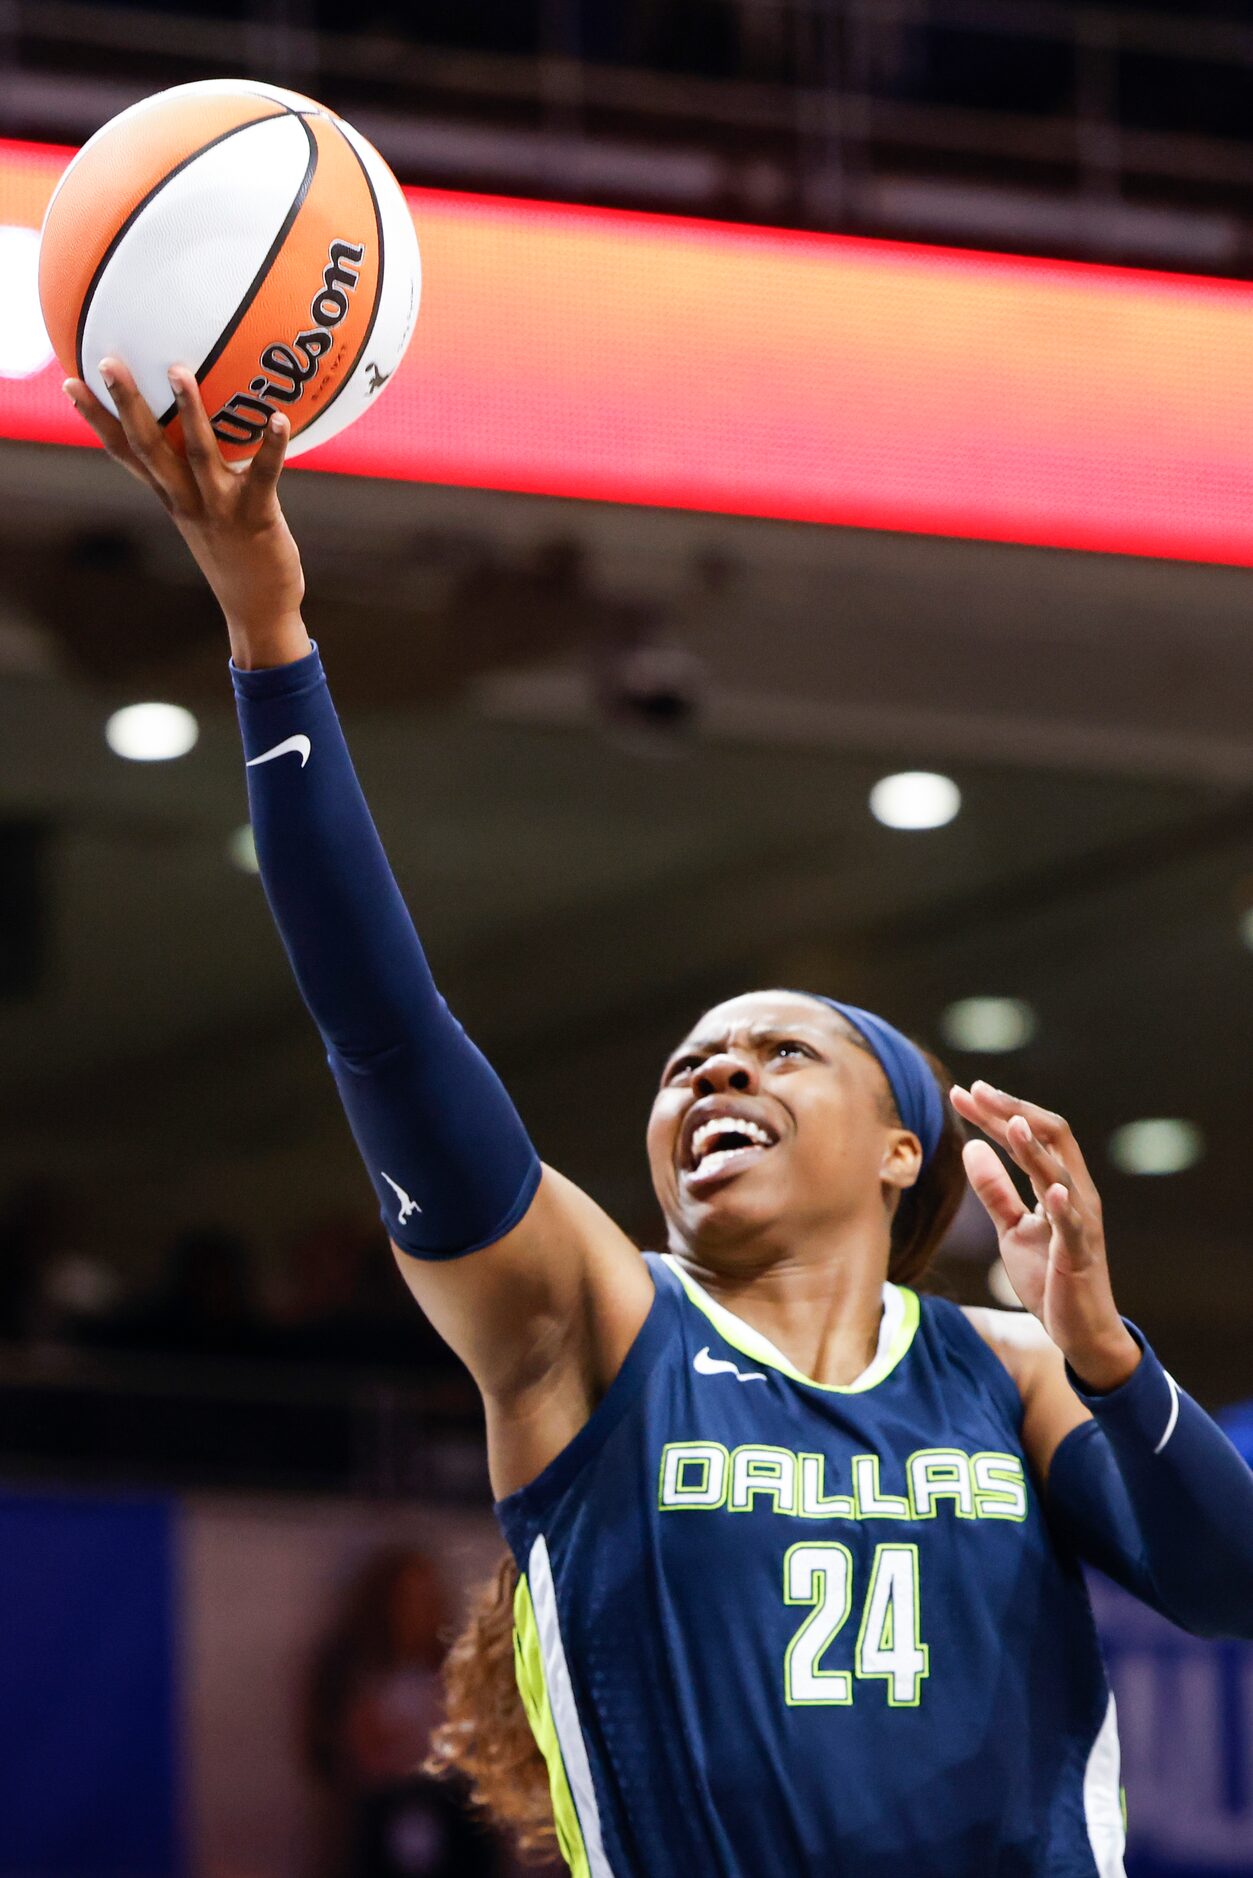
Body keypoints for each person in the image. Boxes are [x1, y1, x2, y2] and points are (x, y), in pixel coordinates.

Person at [64, 360, 1253, 1878]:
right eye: (689, 1062)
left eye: (780, 1052)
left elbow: (1231, 1589)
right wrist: (268, 633)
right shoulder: (593, 1323)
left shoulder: (1004, 1371)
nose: (716, 1073)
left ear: (905, 1150)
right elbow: (385, 1028)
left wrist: (1105, 1349)